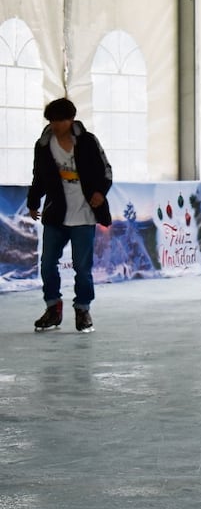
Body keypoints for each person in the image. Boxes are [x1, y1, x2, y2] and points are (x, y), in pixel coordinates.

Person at [27, 98, 113, 333]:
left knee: (82, 268)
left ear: (71, 119)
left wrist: (99, 193)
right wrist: (33, 201)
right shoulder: (44, 145)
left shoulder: (87, 142)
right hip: (56, 214)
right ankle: (53, 308)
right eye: (52, 120)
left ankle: (83, 309)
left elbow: (106, 170)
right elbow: (39, 176)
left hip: (84, 215)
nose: (55, 125)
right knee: (47, 265)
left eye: (60, 120)